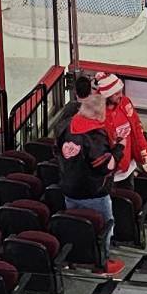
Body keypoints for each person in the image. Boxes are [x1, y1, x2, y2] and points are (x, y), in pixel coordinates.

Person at [58, 83, 126, 274]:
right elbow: (105, 165)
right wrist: (120, 146)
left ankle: (74, 260)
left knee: (77, 226)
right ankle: (101, 264)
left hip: (69, 188)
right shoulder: (94, 136)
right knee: (104, 227)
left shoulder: (66, 127)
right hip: (93, 191)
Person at [96, 71, 147, 185]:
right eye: (116, 93)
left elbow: (137, 127)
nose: (121, 95)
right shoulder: (97, 115)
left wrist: (143, 152)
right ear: (107, 96)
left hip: (129, 167)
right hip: (108, 175)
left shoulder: (125, 102)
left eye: (120, 91)